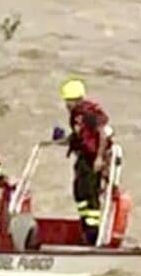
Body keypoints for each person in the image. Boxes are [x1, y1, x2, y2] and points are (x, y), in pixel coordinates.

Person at [48, 78, 114, 245]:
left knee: (90, 195)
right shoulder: (77, 115)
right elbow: (80, 136)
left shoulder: (88, 113)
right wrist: (63, 140)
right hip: (84, 159)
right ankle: (86, 228)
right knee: (80, 193)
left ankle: (92, 235)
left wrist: (99, 158)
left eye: (67, 101)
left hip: (92, 160)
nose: (66, 104)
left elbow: (103, 134)